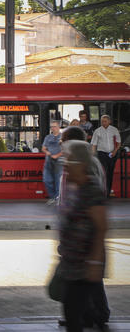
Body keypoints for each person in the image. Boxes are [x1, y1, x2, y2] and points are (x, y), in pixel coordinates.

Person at [58, 126, 110, 329]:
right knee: (81, 292)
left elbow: (100, 224)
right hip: (75, 255)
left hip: (85, 254)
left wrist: (95, 259)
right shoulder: (76, 179)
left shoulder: (90, 185)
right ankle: (88, 314)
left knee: (90, 285)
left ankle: (98, 314)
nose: (66, 166)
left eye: (69, 162)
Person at [91, 115, 121, 198]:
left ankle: (107, 192)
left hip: (112, 153)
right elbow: (94, 144)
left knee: (110, 173)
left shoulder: (114, 130)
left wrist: (115, 151)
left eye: (105, 121)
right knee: (103, 172)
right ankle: (102, 191)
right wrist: (93, 155)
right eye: (102, 121)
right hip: (102, 153)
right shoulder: (97, 131)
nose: (103, 123)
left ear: (109, 121)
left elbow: (119, 142)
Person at [42, 121, 63, 205]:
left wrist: (57, 155)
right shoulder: (48, 137)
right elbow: (43, 148)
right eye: (51, 127)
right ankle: (52, 196)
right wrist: (47, 152)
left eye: (54, 126)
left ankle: (57, 197)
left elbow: (65, 149)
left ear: (58, 127)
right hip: (48, 161)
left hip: (59, 161)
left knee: (58, 180)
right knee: (47, 179)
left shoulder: (63, 137)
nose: (52, 128)